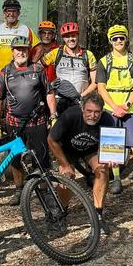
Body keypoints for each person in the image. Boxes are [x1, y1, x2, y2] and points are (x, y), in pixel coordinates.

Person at [0, 35, 57, 206]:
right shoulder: (5, 72)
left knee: (41, 157)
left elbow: (49, 93)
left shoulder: (37, 69)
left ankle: (44, 188)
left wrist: (54, 114)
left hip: (37, 121)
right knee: (15, 158)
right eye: (18, 49)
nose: (22, 52)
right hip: (14, 123)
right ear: (12, 52)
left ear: (29, 50)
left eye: (25, 49)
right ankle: (19, 189)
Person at [96, 24, 133, 198]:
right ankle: (116, 180)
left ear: (126, 39)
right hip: (110, 109)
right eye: (115, 38)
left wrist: (126, 105)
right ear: (110, 41)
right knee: (113, 147)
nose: (119, 41)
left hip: (130, 109)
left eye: (121, 38)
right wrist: (114, 106)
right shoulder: (104, 61)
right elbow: (100, 87)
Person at [48, 92, 115, 235]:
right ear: (82, 109)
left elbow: (111, 146)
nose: (93, 116)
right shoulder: (70, 115)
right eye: (89, 111)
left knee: (103, 170)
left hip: (90, 150)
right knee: (67, 177)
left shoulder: (108, 119)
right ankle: (62, 212)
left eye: (97, 112)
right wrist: (64, 164)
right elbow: (51, 139)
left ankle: (98, 215)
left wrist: (112, 158)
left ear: (102, 111)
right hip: (67, 150)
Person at [41, 22, 97, 114]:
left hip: (81, 100)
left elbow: (95, 82)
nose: (71, 39)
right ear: (63, 38)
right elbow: (36, 69)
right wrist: (49, 85)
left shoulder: (88, 55)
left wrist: (82, 96)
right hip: (60, 100)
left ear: (78, 36)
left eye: (73, 36)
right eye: (67, 36)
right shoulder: (56, 53)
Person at [0, 0, 42, 82]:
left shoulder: (25, 29)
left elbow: (39, 48)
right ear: (4, 12)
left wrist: (31, 64)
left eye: (14, 11)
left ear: (18, 13)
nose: (11, 14)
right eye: (8, 11)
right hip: (0, 71)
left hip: (19, 72)